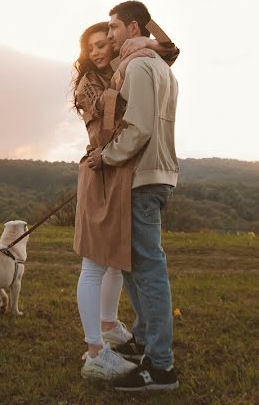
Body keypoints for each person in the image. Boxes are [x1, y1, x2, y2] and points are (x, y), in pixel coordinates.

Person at [72, 19, 179, 381]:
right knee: (95, 261)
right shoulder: (89, 85)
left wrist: (145, 41)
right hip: (102, 171)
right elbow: (107, 125)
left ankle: (110, 326)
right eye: (93, 46)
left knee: (118, 261)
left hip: (123, 174)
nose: (100, 50)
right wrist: (131, 70)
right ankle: (95, 350)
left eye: (106, 43)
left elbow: (170, 51)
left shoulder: (129, 68)